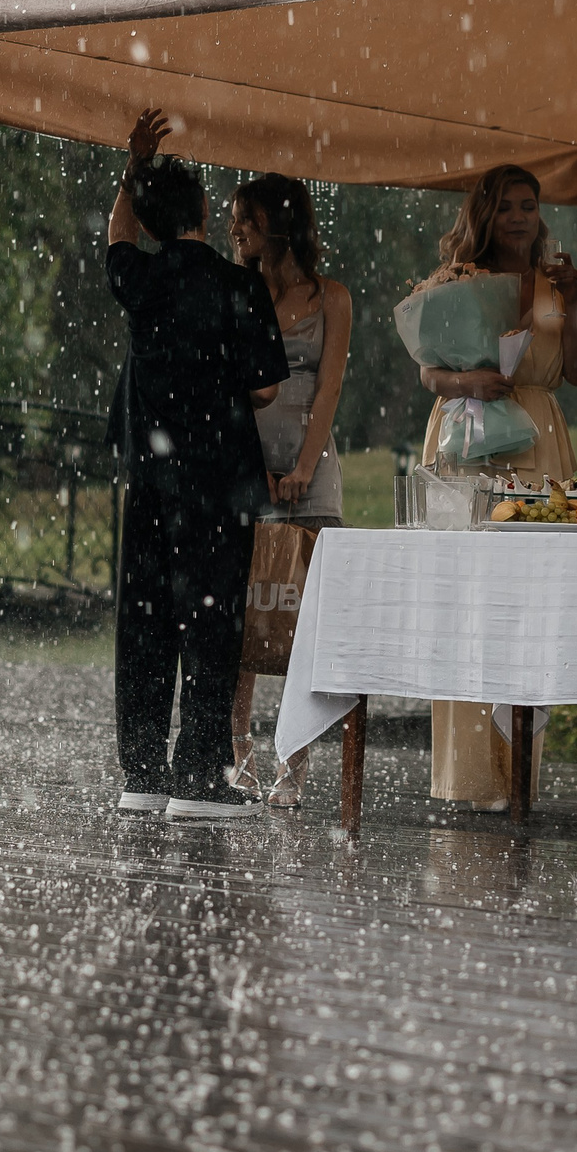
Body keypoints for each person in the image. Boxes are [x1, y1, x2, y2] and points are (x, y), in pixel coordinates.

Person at [106, 109, 289, 820]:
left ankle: (143, 773)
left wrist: (133, 168)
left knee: (146, 616)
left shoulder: (141, 278)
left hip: (150, 479)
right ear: (206, 213)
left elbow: (117, 237)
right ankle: (200, 778)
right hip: (217, 481)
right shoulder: (238, 285)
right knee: (210, 620)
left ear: (152, 222)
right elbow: (267, 384)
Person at [413, 163, 577, 808]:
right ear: (484, 214)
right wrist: (467, 383)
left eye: (530, 205)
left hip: (539, 435)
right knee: (467, 601)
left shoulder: (553, 281)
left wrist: (571, 307)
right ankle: (468, 775)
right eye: (508, 206)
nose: (520, 216)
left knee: (529, 603)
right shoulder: (455, 282)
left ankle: (518, 771)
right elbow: (430, 372)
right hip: (468, 433)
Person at [227, 172, 351, 810]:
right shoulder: (238, 291)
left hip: (310, 470)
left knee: (303, 617)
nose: (235, 230)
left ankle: (293, 761)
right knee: (246, 612)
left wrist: (303, 466)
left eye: (244, 219)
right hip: (246, 469)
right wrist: (255, 470)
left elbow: (327, 387)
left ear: (275, 223)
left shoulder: (332, 297)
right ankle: (238, 752)